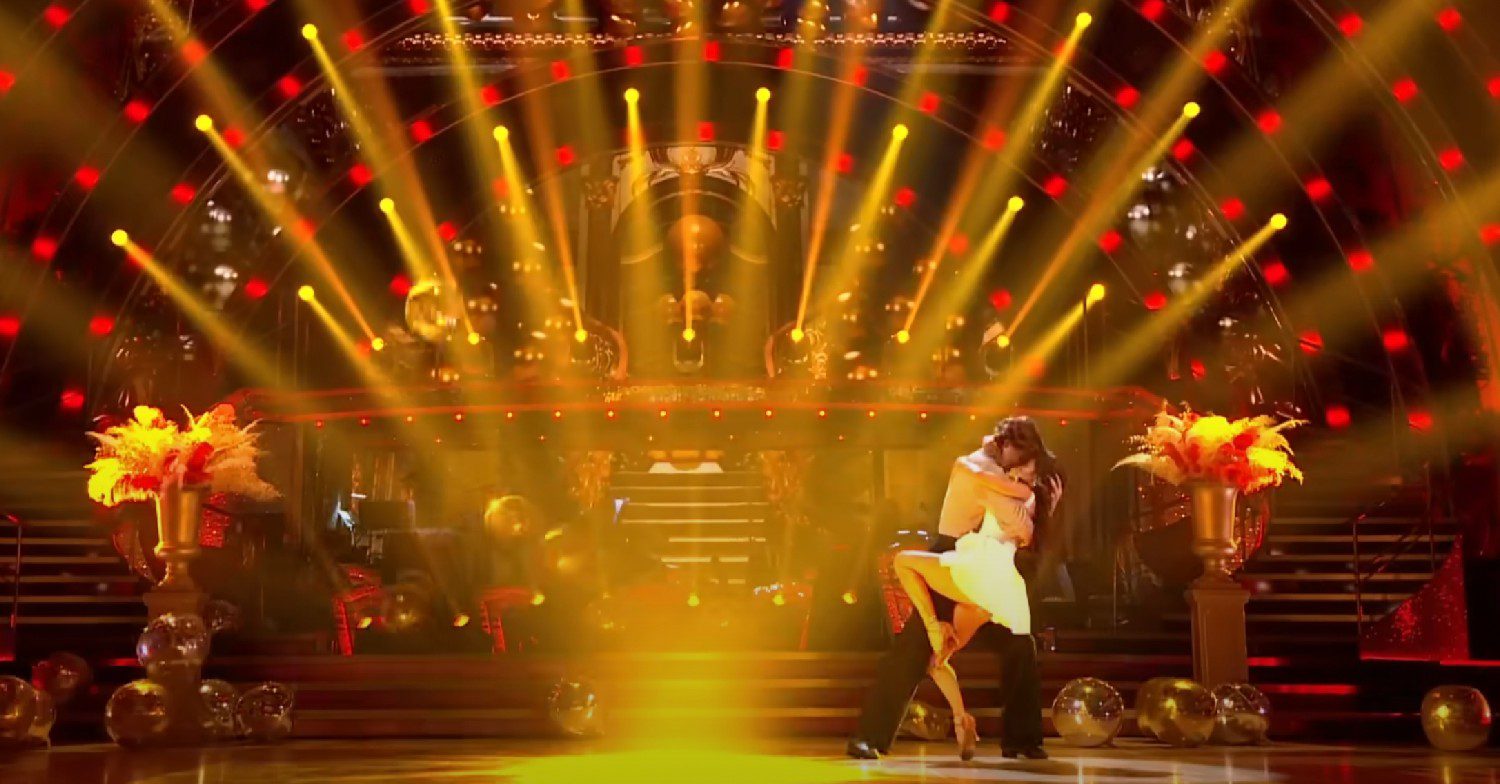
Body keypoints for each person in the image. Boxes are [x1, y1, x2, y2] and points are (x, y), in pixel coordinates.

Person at [847, 416, 1063, 761]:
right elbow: (1018, 522)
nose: (1020, 464)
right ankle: (870, 736)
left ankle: (1023, 739)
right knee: (915, 649)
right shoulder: (974, 467)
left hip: (991, 564)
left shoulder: (1003, 470)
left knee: (1020, 646)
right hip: (956, 556)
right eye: (1018, 454)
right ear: (1003, 444)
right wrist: (1034, 495)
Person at [891, 458, 1038, 760]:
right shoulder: (1024, 503)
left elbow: (978, 477)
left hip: (982, 573)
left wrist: (973, 471)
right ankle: (961, 720)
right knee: (938, 658)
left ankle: (933, 625)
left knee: (903, 560)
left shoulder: (1012, 493)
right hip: (995, 593)